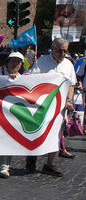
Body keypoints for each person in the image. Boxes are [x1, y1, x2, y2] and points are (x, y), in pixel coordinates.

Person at [27, 37, 77, 176]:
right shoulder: (42, 62)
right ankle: (32, 155)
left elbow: (71, 84)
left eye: (65, 51)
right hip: (43, 105)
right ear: (53, 49)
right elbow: (33, 80)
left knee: (56, 134)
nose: (63, 54)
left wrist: (69, 100)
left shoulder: (68, 64)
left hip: (60, 106)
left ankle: (49, 163)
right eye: (60, 51)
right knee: (38, 132)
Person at [0, 52, 25, 178]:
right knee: (3, 139)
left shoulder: (23, 78)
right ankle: (2, 166)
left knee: (12, 139)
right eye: (13, 61)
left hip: (14, 113)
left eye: (18, 62)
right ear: (7, 62)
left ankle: (7, 165)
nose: (15, 64)